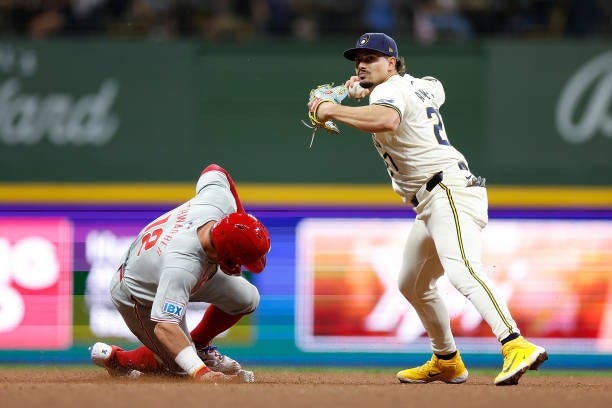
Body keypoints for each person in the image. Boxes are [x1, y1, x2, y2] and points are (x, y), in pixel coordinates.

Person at [308, 32, 547, 386]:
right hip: (435, 198)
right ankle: (447, 359)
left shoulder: (391, 91)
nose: (361, 63)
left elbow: (387, 120)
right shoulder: (411, 86)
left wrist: (333, 108)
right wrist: (370, 90)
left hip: (446, 190)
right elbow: (436, 87)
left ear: (391, 62)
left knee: (463, 270)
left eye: (371, 57)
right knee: (412, 283)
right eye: (358, 59)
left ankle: (515, 343)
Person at [89, 163, 271, 382]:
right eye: (243, 261)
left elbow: (214, 170)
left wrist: (240, 217)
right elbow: (165, 327)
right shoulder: (183, 265)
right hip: (138, 292)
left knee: (247, 298)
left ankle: (200, 345)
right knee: (180, 367)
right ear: (227, 254)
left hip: (166, 265)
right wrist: (203, 373)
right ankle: (116, 359)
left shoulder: (220, 202)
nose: (244, 266)